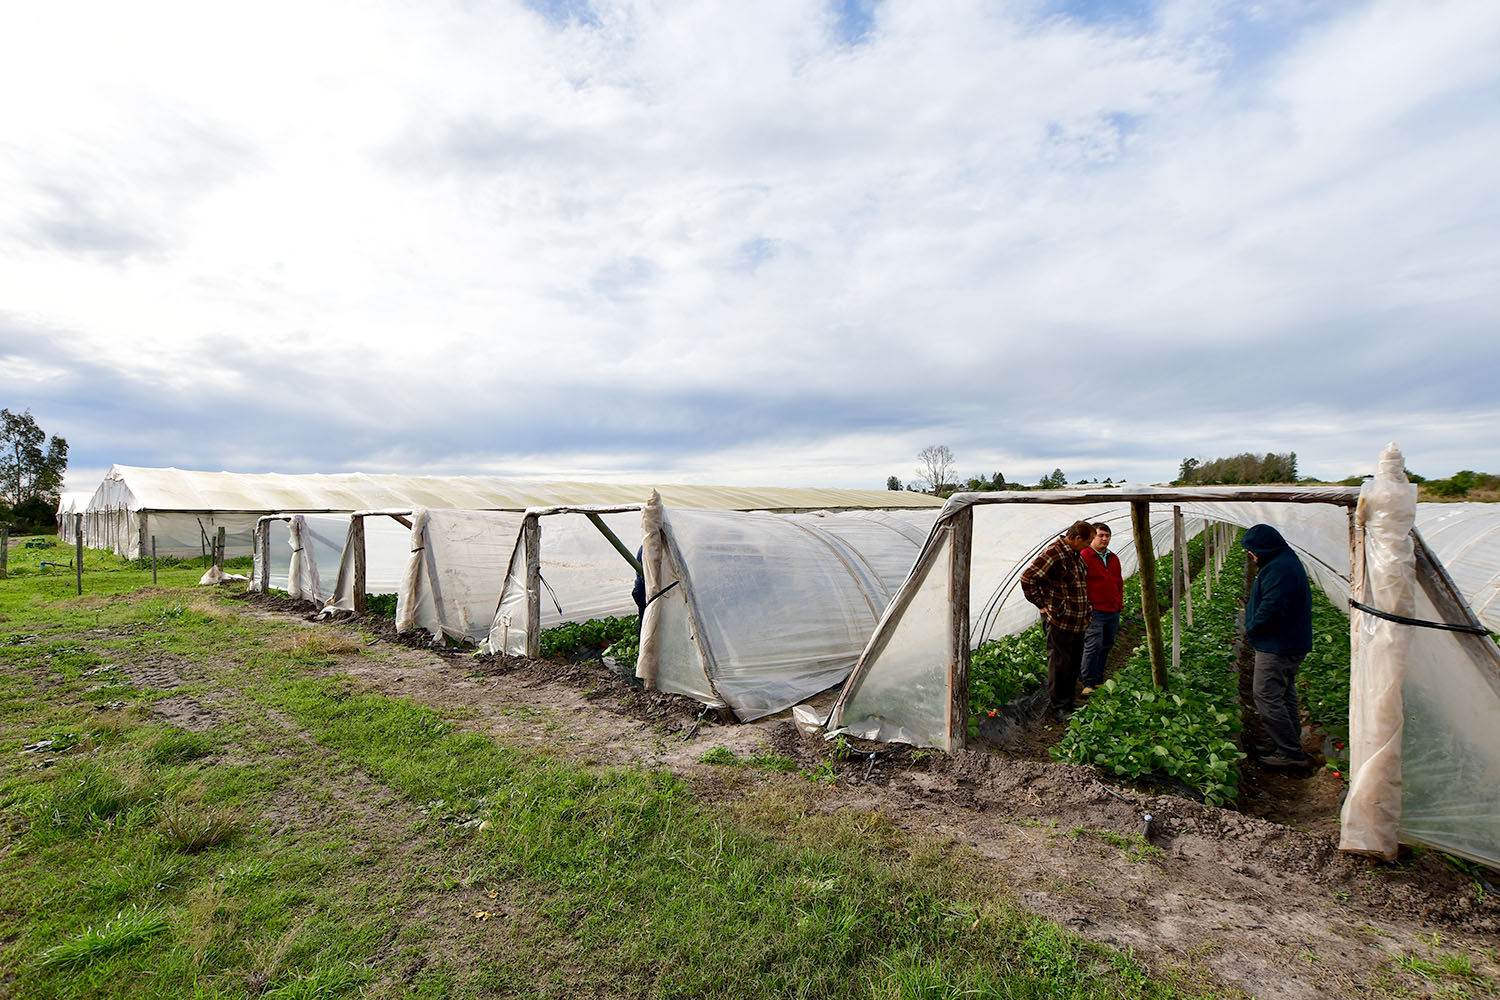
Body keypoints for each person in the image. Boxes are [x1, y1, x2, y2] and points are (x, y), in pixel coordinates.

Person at [1240, 523, 1313, 767]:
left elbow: (1272, 608)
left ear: (1264, 548)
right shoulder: (1283, 561)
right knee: (1284, 694)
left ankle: (1290, 752)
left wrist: (1252, 628)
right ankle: (1288, 742)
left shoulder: (1280, 568)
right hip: (1288, 641)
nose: (1251, 555)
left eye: (1252, 550)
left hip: (1278, 644)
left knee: (1266, 696)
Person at [1021, 520, 1095, 721]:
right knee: (1060, 664)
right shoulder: (1054, 553)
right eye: (1088, 541)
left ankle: (1069, 703)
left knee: (1073, 663)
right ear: (1077, 538)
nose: (1089, 545)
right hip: (1060, 620)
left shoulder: (1073, 554)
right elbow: (1028, 578)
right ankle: (1059, 707)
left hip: (1076, 620)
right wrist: (1041, 604)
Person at [1078, 522, 1123, 695]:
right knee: (1093, 645)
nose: (1104, 539)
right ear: (1092, 537)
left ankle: (1098, 680)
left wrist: (1118, 602)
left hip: (1112, 609)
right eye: (1100, 535)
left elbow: (1118, 582)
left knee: (1107, 644)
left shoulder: (1113, 557)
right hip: (1095, 610)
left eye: (1107, 535)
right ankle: (1087, 683)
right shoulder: (1085, 556)